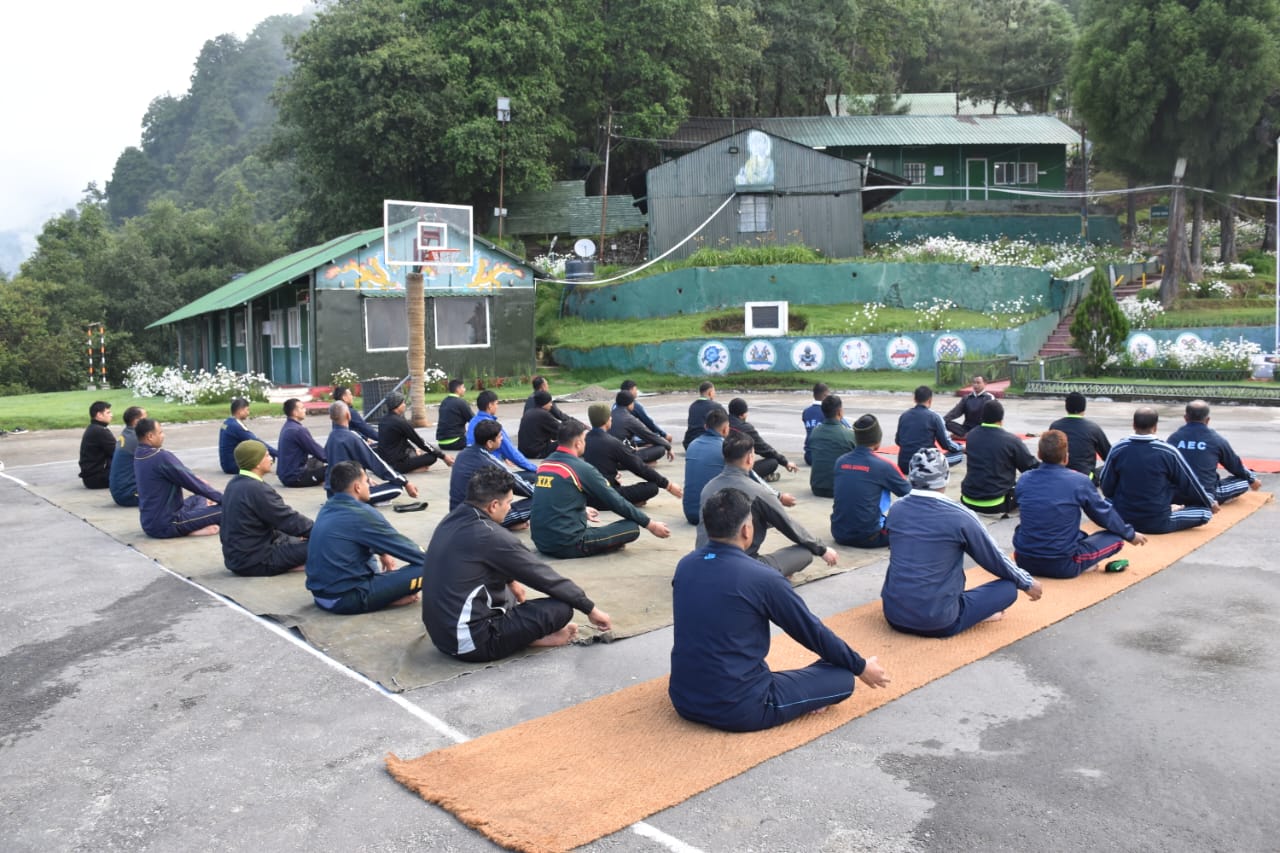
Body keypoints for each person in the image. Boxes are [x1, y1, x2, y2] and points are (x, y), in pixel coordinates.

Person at [669, 487, 890, 733]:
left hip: (684, 698)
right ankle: (811, 696)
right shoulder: (762, 578)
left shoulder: (685, 566)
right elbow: (810, 631)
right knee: (842, 677)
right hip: (742, 707)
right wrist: (860, 666)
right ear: (746, 530)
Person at [423, 466, 613, 661]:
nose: (511, 508)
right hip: (474, 643)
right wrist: (590, 609)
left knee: (508, 591)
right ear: (494, 505)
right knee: (561, 608)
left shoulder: (452, 519)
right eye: (509, 503)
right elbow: (544, 577)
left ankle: (517, 633)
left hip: (442, 636)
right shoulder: (490, 535)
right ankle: (528, 639)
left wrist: (511, 581)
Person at [882, 448, 1043, 638]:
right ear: (945, 476)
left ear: (911, 475)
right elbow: (994, 558)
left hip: (893, 614)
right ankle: (974, 615)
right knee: (1008, 588)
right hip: (938, 620)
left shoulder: (896, 509)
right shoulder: (959, 516)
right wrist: (1026, 582)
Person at [696, 433, 836, 577]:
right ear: (750, 457)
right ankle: (774, 576)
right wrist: (822, 549)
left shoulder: (708, 488)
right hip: (741, 568)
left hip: (704, 561)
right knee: (804, 553)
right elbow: (787, 524)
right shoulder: (758, 492)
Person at [1012, 430, 1147, 578]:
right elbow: (1103, 515)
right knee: (1116, 538)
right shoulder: (1078, 481)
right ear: (1066, 458)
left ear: (1039, 454)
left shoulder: (1024, 479)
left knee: (1074, 534)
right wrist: (1130, 534)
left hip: (1024, 560)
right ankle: (1084, 565)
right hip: (1062, 564)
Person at [531, 420, 671, 558]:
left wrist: (581, 509)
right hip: (568, 544)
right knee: (631, 527)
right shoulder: (580, 468)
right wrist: (651, 525)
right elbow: (615, 501)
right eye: (585, 439)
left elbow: (552, 498)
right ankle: (608, 545)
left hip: (541, 542)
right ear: (578, 443)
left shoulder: (545, 464)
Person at [305, 461, 425, 614]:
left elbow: (360, 534)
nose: (370, 486)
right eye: (367, 482)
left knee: (368, 557)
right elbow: (413, 552)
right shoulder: (362, 513)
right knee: (430, 566)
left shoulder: (329, 507)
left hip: (321, 597)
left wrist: (383, 553)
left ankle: (384, 595)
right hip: (345, 600)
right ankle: (386, 599)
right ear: (357, 487)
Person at [1100, 406, 1219, 534]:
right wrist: (1209, 502)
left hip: (1123, 517)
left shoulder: (1118, 448)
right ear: (1155, 427)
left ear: (1134, 425)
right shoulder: (1168, 452)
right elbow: (1190, 484)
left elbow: (1106, 485)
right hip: (1157, 520)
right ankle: (1170, 509)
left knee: (1106, 503)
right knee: (1204, 512)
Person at [220, 440, 313, 576]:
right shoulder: (256, 489)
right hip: (256, 562)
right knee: (323, 543)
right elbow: (289, 519)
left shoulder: (234, 484)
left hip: (237, 558)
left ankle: (293, 559)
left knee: (296, 537)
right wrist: (320, 532)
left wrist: (299, 535)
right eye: (267, 455)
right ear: (257, 462)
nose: (271, 459)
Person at [830, 414, 910, 548]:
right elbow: (909, 494)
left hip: (839, 533)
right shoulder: (884, 466)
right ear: (877, 439)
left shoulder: (840, 462)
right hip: (869, 537)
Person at [133, 418, 222, 538]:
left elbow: (188, 477)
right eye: (160, 432)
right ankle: (192, 528)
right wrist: (225, 499)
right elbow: (192, 483)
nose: (163, 436)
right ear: (150, 436)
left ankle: (199, 522)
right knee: (228, 508)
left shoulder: (139, 455)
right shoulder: (160, 457)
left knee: (200, 498)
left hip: (149, 523)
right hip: (168, 523)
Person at [583, 404, 683, 507]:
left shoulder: (584, 440)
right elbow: (639, 467)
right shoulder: (612, 442)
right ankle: (626, 503)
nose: (611, 418)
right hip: (608, 496)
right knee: (652, 487)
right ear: (606, 420)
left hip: (588, 496)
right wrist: (668, 485)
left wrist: (611, 476)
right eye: (609, 416)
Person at [1167, 400, 1260, 505]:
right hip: (1205, 495)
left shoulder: (1173, 438)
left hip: (1175, 495)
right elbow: (1235, 466)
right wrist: (1251, 479)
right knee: (1245, 480)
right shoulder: (1216, 440)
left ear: (1185, 418)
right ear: (1207, 420)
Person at [323, 401, 417, 505]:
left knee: (368, 484)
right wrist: (405, 482)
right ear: (348, 415)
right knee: (396, 488)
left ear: (331, 418)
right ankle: (365, 499)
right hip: (349, 494)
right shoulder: (351, 437)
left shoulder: (331, 437)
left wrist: (366, 479)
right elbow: (376, 463)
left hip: (331, 493)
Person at [449, 420, 535, 528]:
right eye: (499, 437)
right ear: (490, 443)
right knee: (539, 500)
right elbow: (516, 483)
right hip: (475, 521)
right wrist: (543, 493)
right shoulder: (488, 461)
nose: (502, 439)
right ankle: (503, 524)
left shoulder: (464, 453)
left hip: (456, 512)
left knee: (529, 477)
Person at [960, 400, 1038, 515]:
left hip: (968, 499)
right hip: (997, 503)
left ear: (982, 417)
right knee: (1030, 481)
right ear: (1001, 419)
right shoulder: (1011, 440)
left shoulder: (971, 435)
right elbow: (1030, 467)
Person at [895, 386, 964, 476]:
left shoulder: (904, 416)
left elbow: (898, 441)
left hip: (904, 465)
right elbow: (946, 444)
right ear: (930, 400)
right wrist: (961, 447)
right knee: (958, 455)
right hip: (924, 466)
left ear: (914, 399)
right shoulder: (934, 417)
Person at [466, 390, 537, 476]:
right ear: (490, 405)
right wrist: (535, 469)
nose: (497, 407)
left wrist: (504, 456)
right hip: (490, 473)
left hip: (473, 470)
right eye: (496, 403)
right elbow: (512, 452)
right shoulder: (492, 426)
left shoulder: (472, 422)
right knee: (534, 476)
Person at [377, 392, 452, 473]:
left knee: (417, 451)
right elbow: (419, 442)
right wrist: (443, 456)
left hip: (385, 461)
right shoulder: (400, 422)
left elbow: (399, 440)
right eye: (403, 403)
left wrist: (413, 450)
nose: (404, 405)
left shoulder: (383, 420)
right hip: (398, 464)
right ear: (397, 405)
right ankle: (411, 470)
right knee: (432, 457)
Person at [727, 397, 797, 483]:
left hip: (723, 467)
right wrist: (785, 462)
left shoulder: (721, 423)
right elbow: (764, 448)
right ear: (742, 415)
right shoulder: (745, 428)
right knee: (773, 462)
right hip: (737, 471)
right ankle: (757, 478)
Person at [683, 408, 732, 524]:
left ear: (705, 427)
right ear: (725, 429)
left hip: (690, 512)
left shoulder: (692, 445)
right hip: (713, 515)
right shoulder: (725, 448)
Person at [1048, 392, 1112, 480]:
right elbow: (1109, 456)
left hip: (1058, 475)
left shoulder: (1055, 426)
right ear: (1084, 408)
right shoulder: (1093, 428)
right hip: (1085, 477)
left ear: (1066, 407)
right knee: (1109, 465)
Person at [809, 394, 858, 498]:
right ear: (840, 412)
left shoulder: (815, 432)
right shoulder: (849, 435)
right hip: (841, 489)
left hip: (817, 487)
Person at [217, 398, 278, 476]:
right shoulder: (236, 426)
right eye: (247, 410)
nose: (248, 413)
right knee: (268, 454)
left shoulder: (227, 422)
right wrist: (278, 453)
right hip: (232, 466)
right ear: (240, 411)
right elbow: (255, 441)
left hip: (226, 463)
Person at [276, 398, 327, 488]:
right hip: (295, 478)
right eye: (302, 408)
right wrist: (336, 460)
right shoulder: (298, 430)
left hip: (285, 474)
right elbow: (317, 451)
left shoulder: (288, 426)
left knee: (317, 460)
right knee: (335, 469)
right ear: (295, 412)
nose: (305, 410)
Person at [610, 391, 673, 463]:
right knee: (660, 448)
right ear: (630, 404)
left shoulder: (609, 415)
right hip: (622, 459)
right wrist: (668, 447)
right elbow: (649, 435)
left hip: (608, 457)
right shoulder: (629, 418)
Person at [109, 405, 146, 507]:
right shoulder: (137, 439)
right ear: (136, 421)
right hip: (128, 495)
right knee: (164, 490)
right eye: (145, 418)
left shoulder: (127, 433)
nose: (148, 422)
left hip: (120, 492)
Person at [620, 379, 672, 445]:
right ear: (631, 390)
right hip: (625, 441)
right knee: (658, 439)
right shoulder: (633, 405)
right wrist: (664, 435)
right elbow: (648, 422)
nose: (637, 392)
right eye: (635, 390)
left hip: (615, 437)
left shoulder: (616, 404)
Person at [78, 401, 116, 490]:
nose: (111, 415)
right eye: (108, 412)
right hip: (97, 479)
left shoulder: (93, 428)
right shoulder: (100, 431)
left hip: (90, 478)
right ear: (99, 415)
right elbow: (118, 453)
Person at [943, 375, 995, 439]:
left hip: (981, 428)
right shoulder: (967, 398)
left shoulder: (989, 398)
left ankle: (966, 436)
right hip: (966, 429)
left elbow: (994, 416)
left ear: (985, 383)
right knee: (944, 422)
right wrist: (942, 420)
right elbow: (955, 412)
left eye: (978, 383)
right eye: (974, 383)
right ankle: (967, 436)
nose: (975, 385)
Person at [517, 390, 563, 460]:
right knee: (568, 441)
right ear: (545, 402)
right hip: (536, 452)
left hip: (524, 451)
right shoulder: (543, 414)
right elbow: (562, 430)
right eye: (550, 402)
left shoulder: (529, 412)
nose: (551, 405)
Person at [683, 381, 726, 449]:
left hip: (689, 443)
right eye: (714, 392)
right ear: (710, 393)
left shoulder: (693, 406)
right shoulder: (716, 407)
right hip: (707, 443)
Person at [435, 379, 474, 451]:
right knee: (481, 439)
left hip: (442, 443)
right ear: (458, 389)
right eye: (463, 387)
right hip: (456, 442)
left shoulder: (444, 402)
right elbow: (474, 420)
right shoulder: (461, 402)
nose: (465, 389)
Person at [801, 382, 831, 466]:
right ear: (825, 395)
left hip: (808, 456)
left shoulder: (806, 412)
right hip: (823, 456)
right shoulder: (828, 412)